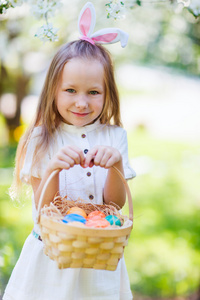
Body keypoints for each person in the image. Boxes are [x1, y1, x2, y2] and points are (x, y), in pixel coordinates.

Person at [3, 2, 136, 300]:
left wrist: (115, 166)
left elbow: (112, 207)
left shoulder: (115, 137)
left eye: (93, 92)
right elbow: (42, 212)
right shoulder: (41, 138)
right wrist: (53, 168)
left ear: (107, 94)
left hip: (98, 258)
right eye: (70, 90)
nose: (81, 103)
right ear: (53, 90)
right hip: (52, 257)